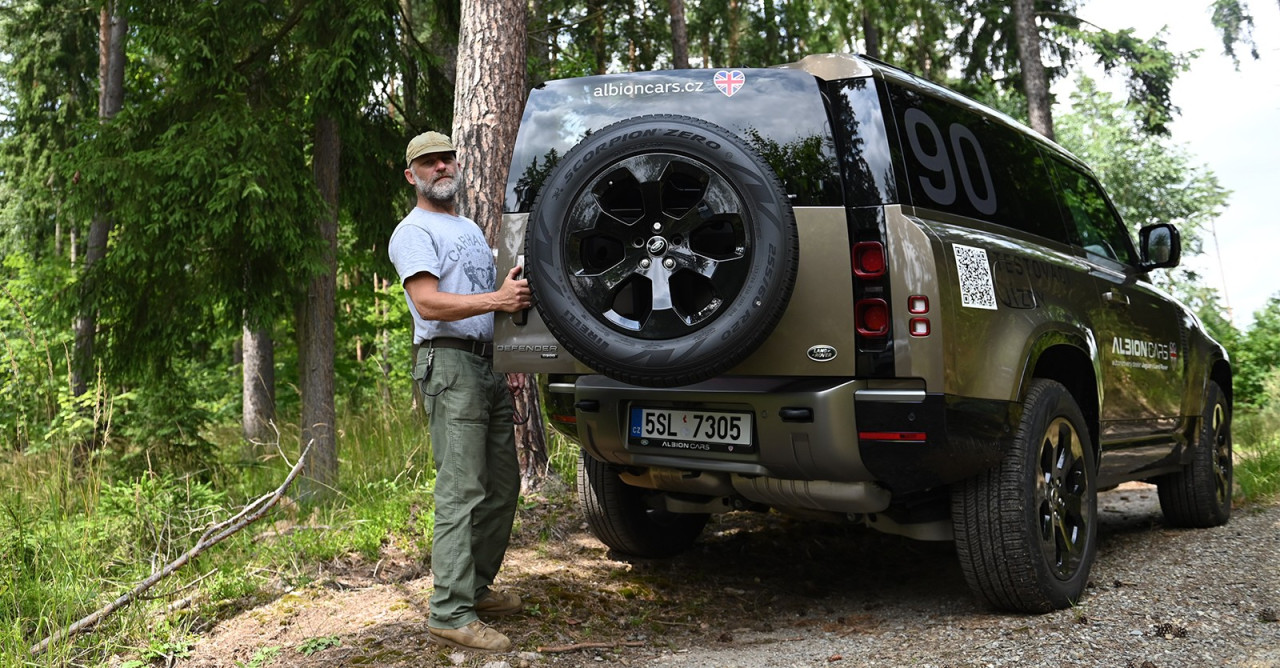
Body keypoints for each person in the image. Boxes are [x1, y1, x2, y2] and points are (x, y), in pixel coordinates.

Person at [388, 130, 532, 652]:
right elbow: (428, 303)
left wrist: (509, 354)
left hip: (487, 365)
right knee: (461, 490)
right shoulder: (413, 231)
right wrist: (498, 300)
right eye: (429, 162)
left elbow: (498, 298)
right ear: (413, 175)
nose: (442, 167)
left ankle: (474, 589)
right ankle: (449, 611)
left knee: (501, 488)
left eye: (447, 158)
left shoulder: (468, 227)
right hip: (447, 365)